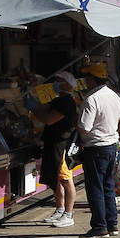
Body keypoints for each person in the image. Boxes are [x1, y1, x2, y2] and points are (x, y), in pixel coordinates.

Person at [76, 69, 120, 238]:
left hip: (95, 147)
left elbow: (85, 127)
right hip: (111, 145)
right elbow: (119, 119)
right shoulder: (114, 96)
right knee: (108, 186)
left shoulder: (92, 99)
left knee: (95, 187)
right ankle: (112, 223)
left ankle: (99, 225)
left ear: (92, 79)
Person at [32, 71, 78, 228]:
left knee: (66, 179)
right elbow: (46, 110)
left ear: (66, 84)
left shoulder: (67, 103)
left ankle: (68, 214)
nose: (55, 84)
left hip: (62, 145)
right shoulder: (59, 100)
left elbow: (48, 119)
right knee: (56, 178)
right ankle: (59, 209)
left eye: (58, 81)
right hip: (53, 144)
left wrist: (33, 108)